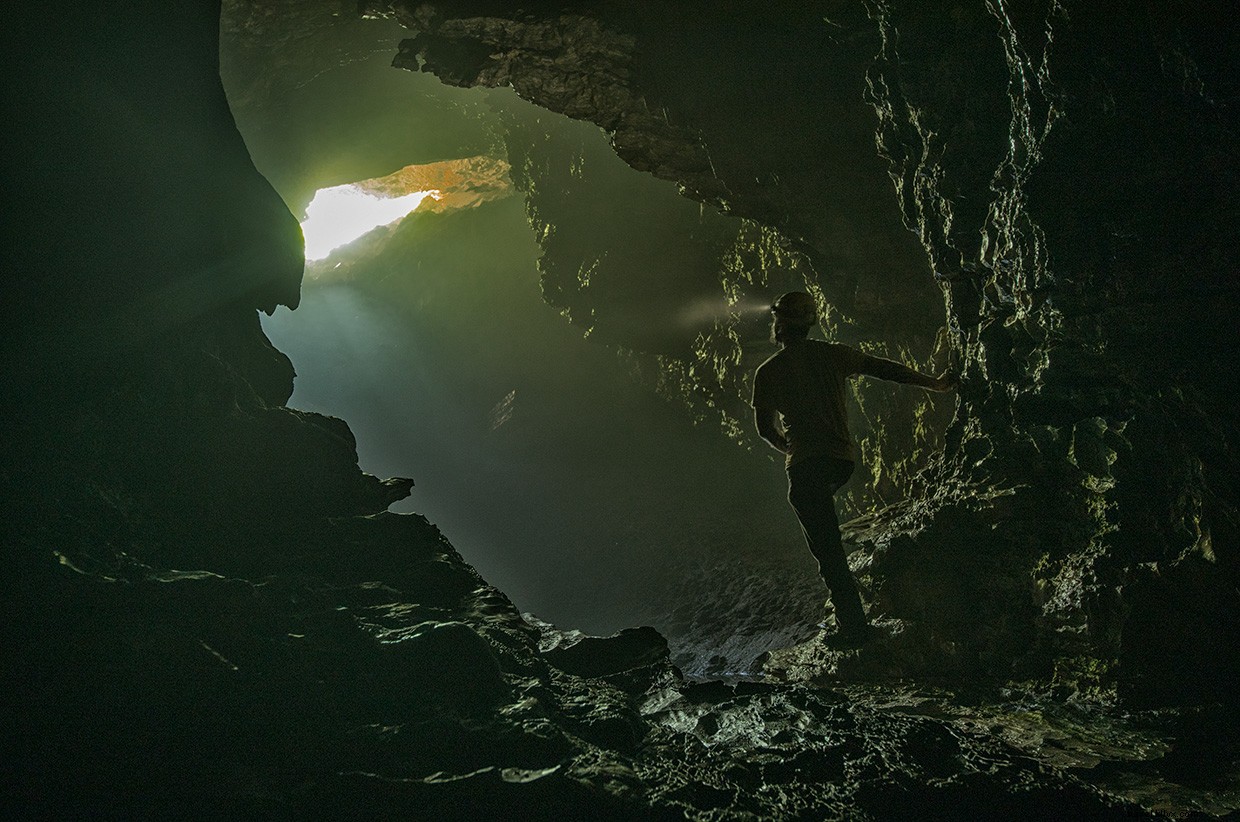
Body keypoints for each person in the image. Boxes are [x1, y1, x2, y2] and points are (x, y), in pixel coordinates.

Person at [751, 291, 957, 647]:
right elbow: (884, 369)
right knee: (826, 524)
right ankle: (855, 602)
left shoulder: (768, 372)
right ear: (811, 321)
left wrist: (791, 448)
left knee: (826, 550)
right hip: (841, 462)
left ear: (779, 325)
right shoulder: (833, 355)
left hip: (805, 467)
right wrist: (935, 384)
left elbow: (765, 429)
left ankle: (855, 630)